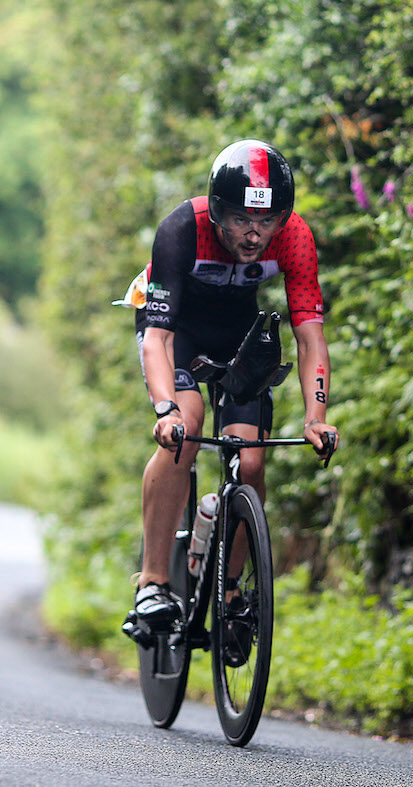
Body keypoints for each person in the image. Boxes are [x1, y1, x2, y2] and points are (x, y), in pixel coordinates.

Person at [124, 138, 341, 632]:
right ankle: (153, 584)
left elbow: (310, 338)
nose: (254, 234)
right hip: (177, 330)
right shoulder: (182, 228)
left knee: (252, 459)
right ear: (218, 211)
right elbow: (156, 338)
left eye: (267, 221)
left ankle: (230, 593)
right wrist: (166, 412)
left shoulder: (295, 236)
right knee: (189, 429)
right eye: (242, 218)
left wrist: (316, 417)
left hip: (238, 334)